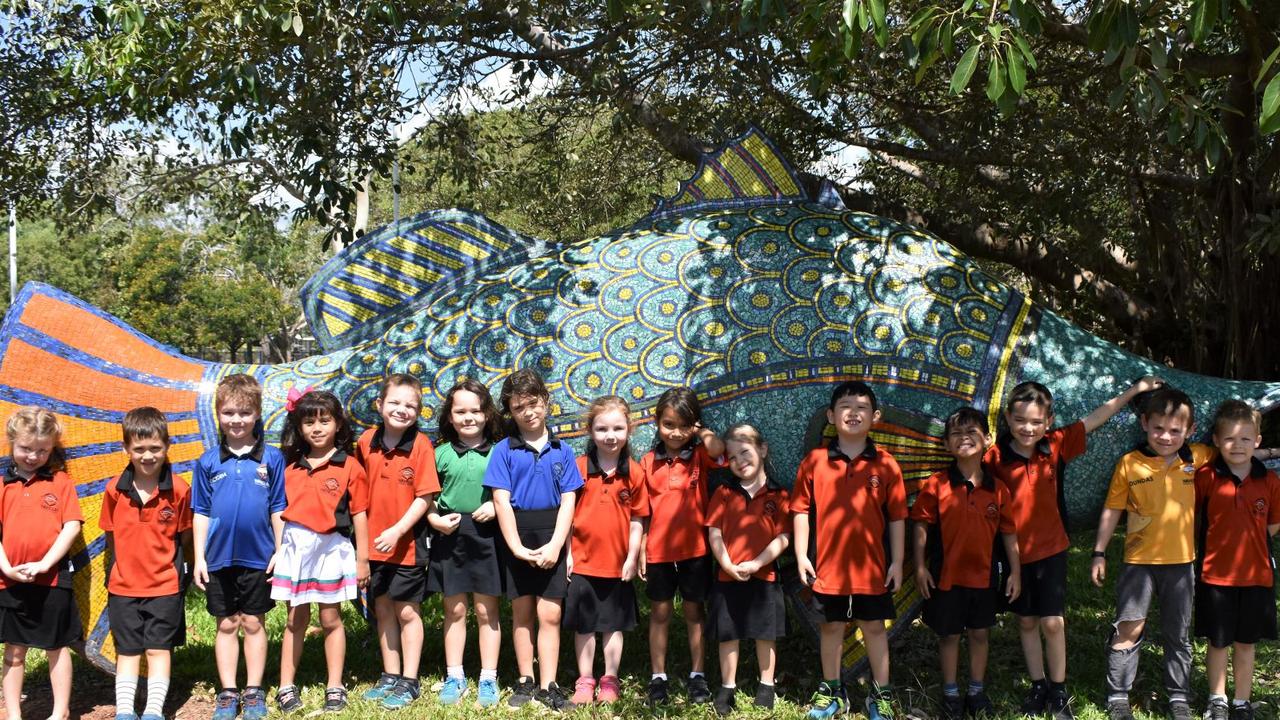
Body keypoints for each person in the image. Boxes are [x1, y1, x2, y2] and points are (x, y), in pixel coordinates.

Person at [986, 377, 1163, 718]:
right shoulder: (993, 458)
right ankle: (1037, 685)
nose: (1028, 428)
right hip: (1014, 554)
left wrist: (1135, 392)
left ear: (1048, 421)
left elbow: (1096, 419)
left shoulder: (1055, 445)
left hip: (1052, 548)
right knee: (1025, 621)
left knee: (1052, 623)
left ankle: (1058, 689)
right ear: (1008, 418)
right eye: (1020, 420)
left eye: (1037, 421)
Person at [1091, 386, 1216, 720]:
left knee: (1178, 632)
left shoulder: (1197, 457)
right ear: (1144, 423)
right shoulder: (1130, 463)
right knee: (1129, 627)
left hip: (1181, 565)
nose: (1166, 436)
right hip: (1138, 565)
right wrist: (1099, 553)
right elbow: (1112, 509)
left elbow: (1237, 454)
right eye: (1158, 428)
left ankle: (1178, 698)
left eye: (1176, 431)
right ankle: (1118, 696)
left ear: (1190, 431)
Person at [793, 380, 906, 720]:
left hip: (873, 568)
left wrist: (898, 561)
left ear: (875, 416)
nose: (853, 413)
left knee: (874, 627)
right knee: (831, 627)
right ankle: (832, 690)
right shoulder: (815, 461)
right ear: (831, 415)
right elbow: (800, 510)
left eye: (861, 407)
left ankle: (881, 694)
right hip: (828, 568)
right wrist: (801, 554)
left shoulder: (886, 465)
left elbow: (898, 516)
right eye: (845, 407)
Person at [484, 368, 583, 711]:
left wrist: (557, 545)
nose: (528, 412)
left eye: (533, 403)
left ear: (546, 401)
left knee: (550, 615)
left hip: (552, 531)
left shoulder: (563, 450)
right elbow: (500, 500)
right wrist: (514, 546)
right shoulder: (503, 450)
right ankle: (525, 679)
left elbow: (569, 499)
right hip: (518, 534)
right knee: (523, 612)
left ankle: (549, 684)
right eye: (518, 407)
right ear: (510, 412)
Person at [912, 407, 1021, 720]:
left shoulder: (997, 489)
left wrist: (1015, 571)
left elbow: (1010, 533)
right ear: (947, 444)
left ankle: (976, 689)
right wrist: (920, 567)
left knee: (980, 634)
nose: (964, 438)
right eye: (956, 434)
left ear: (987, 439)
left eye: (972, 432)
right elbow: (920, 525)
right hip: (946, 577)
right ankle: (950, 692)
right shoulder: (937, 484)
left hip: (984, 577)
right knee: (948, 635)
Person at [192, 374, 287, 720]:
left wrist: (279, 550)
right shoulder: (207, 462)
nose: (237, 420)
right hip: (218, 558)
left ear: (257, 414)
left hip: (259, 557)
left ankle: (254, 691)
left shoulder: (272, 459)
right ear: (218, 414)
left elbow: (279, 508)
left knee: (253, 622)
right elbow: (200, 512)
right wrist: (199, 556)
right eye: (229, 412)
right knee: (226, 624)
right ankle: (228, 691)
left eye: (245, 413)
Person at [272, 388, 369, 714]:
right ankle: (286, 686)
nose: (317, 428)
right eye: (309, 421)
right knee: (294, 619)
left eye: (324, 420)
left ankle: (335, 686)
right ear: (298, 427)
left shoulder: (351, 466)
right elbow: (277, 512)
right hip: (296, 549)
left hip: (332, 548)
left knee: (331, 619)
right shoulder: (288, 467)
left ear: (338, 424)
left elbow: (359, 514)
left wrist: (363, 559)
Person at [100, 407, 192, 720]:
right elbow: (111, 535)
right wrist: (119, 566)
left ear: (167, 447)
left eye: (155, 448)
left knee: (157, 649)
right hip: (123, 586)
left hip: (165, 585)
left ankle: (154, 710)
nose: (147, 455)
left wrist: (184, 571)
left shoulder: (179, 489)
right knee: (127, 650)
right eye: (139, 449)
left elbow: (185, 536)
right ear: (126, 449)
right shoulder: (114, 489)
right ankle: (125, 711)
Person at [357, 373, 441, 710]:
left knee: (407, 611)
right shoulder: (365, 442)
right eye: (394, 402)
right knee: (383, 609)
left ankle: (410, 679)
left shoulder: (421, 445)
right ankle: (389, 675)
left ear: (419, 412)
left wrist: (396, 531)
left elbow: (425, 497)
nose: (401, 410)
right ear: (379, 405)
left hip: (407, 545)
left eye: (410, 405)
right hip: (374, 545)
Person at [1193, 401, 1280, 720]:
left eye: (1245, 439)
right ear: (1216, 440)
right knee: (1218, 642)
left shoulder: (1269, 480)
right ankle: (1217, 699)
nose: (1237, 445)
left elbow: (1273, 523)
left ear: (1257, 440)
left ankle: (1241, 702)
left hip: (1256, 576)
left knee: (1246, 642)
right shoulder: (1206, 476)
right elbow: (1193, 518)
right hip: (1215, 576)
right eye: (1229, 438)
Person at [640, 386, 726, 707]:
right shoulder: (648, 461)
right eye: (668, 424)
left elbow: (719, 449)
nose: (675, 433)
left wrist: (701, 432)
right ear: (657, 423)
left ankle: (698, 674)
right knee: (660, 612)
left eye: (683, 425)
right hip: (659, 552)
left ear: (694, 425)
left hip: (696, 550)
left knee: (694, 611)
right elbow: (644, 511)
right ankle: (658, 677)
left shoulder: (701, 456)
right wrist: (641, 549)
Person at [0, 406, 83, 720]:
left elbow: (71, 526)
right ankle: (14, 713)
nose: (33, 456)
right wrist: (6, 567)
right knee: (14, 649)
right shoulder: (2, 484)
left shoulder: (61, 482)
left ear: (52, 448)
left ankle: (59, 712)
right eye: (25, 449)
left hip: (52, 578)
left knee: (57, 646)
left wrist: (46, 563)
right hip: (10, 578)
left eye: (42, 450)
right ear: (12, 443)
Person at [564, 396, 648, 707]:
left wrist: (631, 556)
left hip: (616, 565)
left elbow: (639, 519)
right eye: (601, 429)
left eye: (617, 428)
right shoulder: (579, 468)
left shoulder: (634, 473)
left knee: (613, 625)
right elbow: (568, 514)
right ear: (590, 431)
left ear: (629, 429)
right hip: (583, 561)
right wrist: (568, 555)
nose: (609, 436)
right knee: (585, 625)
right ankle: (585, 680)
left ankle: (610, 679)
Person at [427, 379, 505, 708]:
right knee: (454, 608)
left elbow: (513, 491)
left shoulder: (502, 451)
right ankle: (454, 675)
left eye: (476, 410)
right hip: (450, 534)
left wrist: (498, 505)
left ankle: (488, 677)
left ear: (488, 414)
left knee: (488, 610)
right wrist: (434, 519)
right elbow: (425, 498)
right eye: (461, 411)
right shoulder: (439, 453)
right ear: (450, 415)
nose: (468, 417)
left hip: (488, 535)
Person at [705, 424, 790, 716]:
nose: (740, 461)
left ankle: (766, 686)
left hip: (764, 575)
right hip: (727, 575)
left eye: (745, 452)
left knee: (765, 632)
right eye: (732, 457)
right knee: (728, 633)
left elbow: (784, 537)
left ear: (763, 450)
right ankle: (727, 686)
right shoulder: (724, 492)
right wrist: (726, 563)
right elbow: (714, 531)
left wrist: (757, 562)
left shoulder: (778, 494)